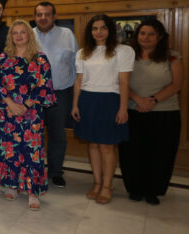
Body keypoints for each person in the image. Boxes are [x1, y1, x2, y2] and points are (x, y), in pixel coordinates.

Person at [0, 20, 56, 210]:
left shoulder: (40, 59)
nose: (19, 36)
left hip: (31, 113)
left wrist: (26, 105)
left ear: (29, 35)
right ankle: (12, 186)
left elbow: (44, 86)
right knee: (9, 149)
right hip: (7, 113)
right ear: (10, 36)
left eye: (22, 32)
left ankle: (32, 192)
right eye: (15, 33)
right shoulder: (3, 58)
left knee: (31, 152)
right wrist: (11, 104)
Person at [71, 14, 134, 205]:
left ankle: (107, 186)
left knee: (107, 146)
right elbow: (79, 80)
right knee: (92, 145)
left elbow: (124, 82)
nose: (99, 32)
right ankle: (97, 183)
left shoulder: (123, 51)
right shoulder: (83, 52)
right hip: (87, 100)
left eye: (103, 28)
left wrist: (123, 108)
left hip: (110, 100)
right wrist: (75, 104)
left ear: (110, 30)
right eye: (95, 28)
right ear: (90, 31)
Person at [119, 20, 182, 205]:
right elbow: (120, 81)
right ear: (136, 35)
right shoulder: (127, 55)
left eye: (151, 34)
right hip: (133, 110)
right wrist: (138, 99)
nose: (146, 37)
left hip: (164, 112)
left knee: (160, 153)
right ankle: (135, 189)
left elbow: (177, 84)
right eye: (142, 33)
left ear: (160, 37)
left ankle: (153, 190)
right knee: (132, 153)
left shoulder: (172, 56)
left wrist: (153, 100)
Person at [33, 2, 79, 187]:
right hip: (33, 96)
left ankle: (55, 172)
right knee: (32, 134)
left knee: (57, 135)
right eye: (39, 14)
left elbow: (76, 64)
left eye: (47, 14)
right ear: (35, 17)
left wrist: (73, 93)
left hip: (60, 93)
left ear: (54, 16)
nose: (43, 18)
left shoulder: (67, 35)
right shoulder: (28, 35)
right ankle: (33, 170)